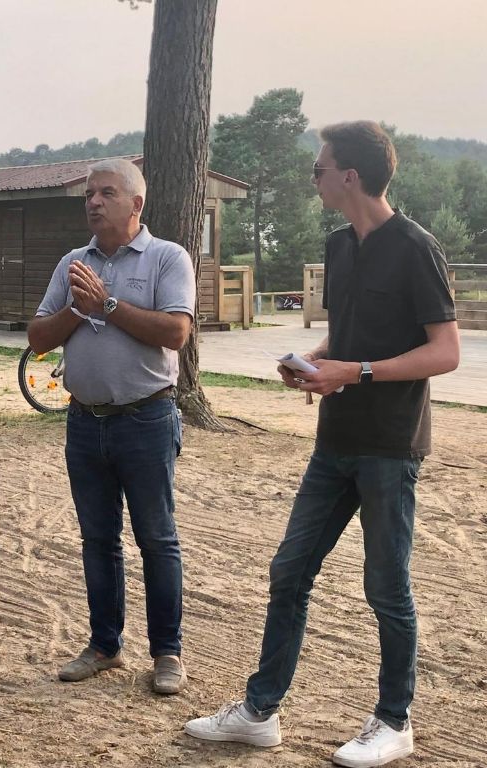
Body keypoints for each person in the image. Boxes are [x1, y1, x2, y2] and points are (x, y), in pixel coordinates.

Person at [184, 121, 460, 767]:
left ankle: (394, 721)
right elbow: (348, 335)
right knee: (289, 572)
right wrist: (313, 363)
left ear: (350, 176)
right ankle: (259, 712)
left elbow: (444, 351)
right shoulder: (339, 246)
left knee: (386, 588)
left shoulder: (417, 248)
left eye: (319, 169)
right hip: (334, 442)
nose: (313, 179)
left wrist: (353, 372)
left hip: (390, 446)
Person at [27, 158, 194, 694]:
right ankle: (104, 646)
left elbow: (176, 332)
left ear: (136, 204)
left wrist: (108, 304)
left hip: (146, 419)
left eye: (105, 193)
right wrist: (79, 310)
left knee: (157, 538)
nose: (94, 203)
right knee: (98, 539)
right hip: (84, 422)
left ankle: (167, 653)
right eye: (88, 195)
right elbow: (38, 337)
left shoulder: (167, 258)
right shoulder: (73, 263)